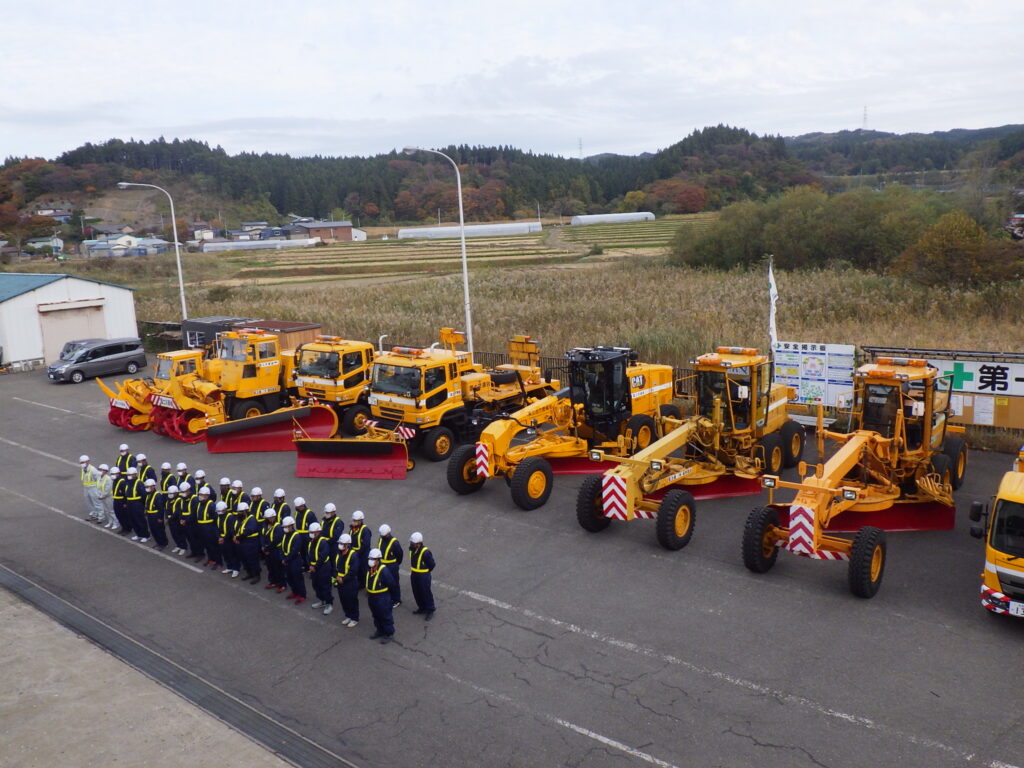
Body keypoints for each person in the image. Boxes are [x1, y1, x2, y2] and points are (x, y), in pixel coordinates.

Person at [364, 548, 396, 644]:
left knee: (385, 615)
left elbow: (392, 584)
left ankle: (389, 633)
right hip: (372, 596)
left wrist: (391, 598)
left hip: (382, 597)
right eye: (370, 559)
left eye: (373, 559)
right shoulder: (370, 569)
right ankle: (380, 630)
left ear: (378, 560)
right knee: (376, 614)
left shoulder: (384, 571)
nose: (371, 561)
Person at [306, 522, 334, 615]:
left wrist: (314, 566)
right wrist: (309, 565)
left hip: (323, 567)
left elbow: (323, 556)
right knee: (316, 585)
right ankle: (322, 600)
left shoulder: (323, 542)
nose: (312, 534)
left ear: (318, 532)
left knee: (325, 585)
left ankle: (329, 603)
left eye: (313, 532)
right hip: (314, 568)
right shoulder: (311, 541)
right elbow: (309, 554)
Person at [333, 533, 360, 627]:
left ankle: (354, 618)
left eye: (342, 544)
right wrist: (336, 576)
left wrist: (343, 579)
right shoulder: (338, 553)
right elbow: (334, 566)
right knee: (343, 600)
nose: (340, 545)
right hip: (340, 581)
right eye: (340, 543)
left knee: (352, 600)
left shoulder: (353, 556)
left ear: (348, 545)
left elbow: (353, 571)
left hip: (350, 582)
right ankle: (348, 615)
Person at [408, 532, 436, 619]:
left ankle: (430, 609)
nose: (411, 544)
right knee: (416, 592)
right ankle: (422, 607)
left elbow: (432, 564)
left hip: (423, 575)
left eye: (413, 543)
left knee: (425, 592)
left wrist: (426, 572)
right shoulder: (412, 549)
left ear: (419, 543)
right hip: (414, 574)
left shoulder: (425, 552)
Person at [279, 516, 307, 604]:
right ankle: (295, 592)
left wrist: (286, 559)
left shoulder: (297, 537)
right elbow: (281, 547)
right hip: (286, 560)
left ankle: (302, 595)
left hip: (295, 560)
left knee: (297, 578)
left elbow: (294, 551)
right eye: (284, 527)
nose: (285, 529)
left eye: (287, 527)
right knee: (289, 577)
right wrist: (282, 557)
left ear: (292, 526)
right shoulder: (284, 535)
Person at [233, 501, 262, 583]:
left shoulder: (252, 519)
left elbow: (248, 531)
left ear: (245, 511)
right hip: (242, 542)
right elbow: (235, 527)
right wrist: (235, 536)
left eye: (240, 512)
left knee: (252, 559)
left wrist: (238, 537)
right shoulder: (239, 518)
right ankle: (249, 573)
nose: (238, 513)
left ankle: (256, 575)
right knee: (244, 559)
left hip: (251, 542)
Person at [377, 524, 403, 607]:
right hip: (382, 564)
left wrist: (395, 564)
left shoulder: (394, 542)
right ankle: (389, 597)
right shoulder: (381, 539)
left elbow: (400, 554)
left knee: (394, 583)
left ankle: (396, 600)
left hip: (391, 565)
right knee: (385, 581)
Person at [195, 487, 221, 569]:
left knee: (213, 546)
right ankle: (211, 559)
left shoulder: (211, 505)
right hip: (201, 527)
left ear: (207, 496)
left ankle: (218, 562)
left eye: (203, 495)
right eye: (200, 495)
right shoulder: (199, 503)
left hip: (209, 528)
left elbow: (216, 518)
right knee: (207, 545)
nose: (201, 496)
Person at [261, 508, 286, 591]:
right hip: (267, 550)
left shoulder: (278, 527)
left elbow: (276, 540)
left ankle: (282, 584)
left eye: (267, 518)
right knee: (270, 567)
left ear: (272, 517)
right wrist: (263, 546)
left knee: (278, 568)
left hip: (275, 550)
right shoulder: (265, 525)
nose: (266, 519)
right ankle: (273, 581)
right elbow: (262, 536)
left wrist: (267, 548)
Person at [124, 466, 148, 542]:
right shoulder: (128, 483)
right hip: (129, 503)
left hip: (137, 503)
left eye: (130, 474)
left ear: (135, 474)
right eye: (128, 475)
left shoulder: (139, 483)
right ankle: (138, 534)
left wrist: (142, 505)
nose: (129, 476)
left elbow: (144, 495)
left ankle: (145, 535)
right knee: (133, 519)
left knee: (140, 519)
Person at [143, 478, 168, 550]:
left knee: (159, 530)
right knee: (153, 530)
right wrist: (146, 512)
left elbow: (160, 508)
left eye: (148, 487)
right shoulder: (148, 495)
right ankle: (158, 542)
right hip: (150, 515)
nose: (147, 488)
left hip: (156, 515)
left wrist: (160, 518)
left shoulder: (158, 496)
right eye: (146, 487)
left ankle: (163, 543)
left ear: (153, 486)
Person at [216, 501, 239, 577]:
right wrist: (219, 537)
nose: (219, 513)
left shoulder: (230, 517)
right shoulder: (219, 517)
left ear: (225, 509)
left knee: (232, 554)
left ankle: (236, 569)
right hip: (222, 538)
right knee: (225, 554)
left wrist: (223, 538)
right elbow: (218, 527)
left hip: (229, 539)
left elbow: (230, 530)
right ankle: (229, 567)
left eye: (221, 511)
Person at [165, 485, 188, 554]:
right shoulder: (168, 501)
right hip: (171, 521)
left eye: (171, 493)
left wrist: (170, 518)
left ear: (176, 493)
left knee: (180, 534)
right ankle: (178, 545)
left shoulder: (179, 500)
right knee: (174, 534)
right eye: (169, 493)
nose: (170, 495)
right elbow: (166, 509)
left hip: (177, 521)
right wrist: (167, 517)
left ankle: (183, 547)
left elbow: (178, 512)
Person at [79, 455, 102, 522]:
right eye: (81, 462)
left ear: (88, 462)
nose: (82, 464)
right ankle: (94, 514)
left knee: (97, 502)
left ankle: (101, 516)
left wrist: (98, 489)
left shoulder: (93, 470)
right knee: (89, 502)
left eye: (83, 462)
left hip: (93, 487)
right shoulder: (83, 469)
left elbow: (98, 479)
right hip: (86, 488)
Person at [350, 510, 370, 582]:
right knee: (357, 569)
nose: (354, 522)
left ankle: (364, 583)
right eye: (354, 520)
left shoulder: (365, 530)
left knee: (363, 570)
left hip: (363, 555)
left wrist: (357, 553)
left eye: (356, 520)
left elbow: (366, 545)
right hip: (355, 554)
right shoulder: (352, 529)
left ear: (360, 521)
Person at [109, 466, 127, 533]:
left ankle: (127, 528)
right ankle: (123, 528)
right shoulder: (115, 481)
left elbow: (125, 493)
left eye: (113, 474)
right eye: (111, 474)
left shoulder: (122, 482)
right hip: (116, 500)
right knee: (118, 515)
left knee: (123, 515)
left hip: (121, 501)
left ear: (118, 473)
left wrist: (125, 503)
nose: (112, 476)